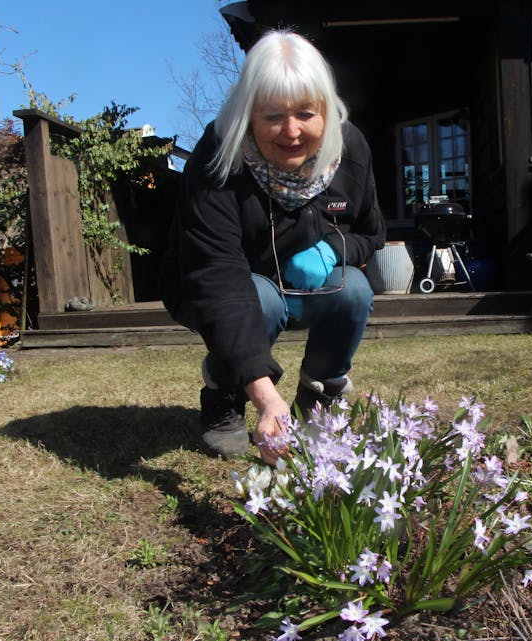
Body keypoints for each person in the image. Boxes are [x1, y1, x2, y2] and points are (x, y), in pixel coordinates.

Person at [160, 29, 385, 464]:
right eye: (272, 117)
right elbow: (218, 277)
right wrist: (266, 399)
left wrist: (332, 252)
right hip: (229, 284)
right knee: (257, 299)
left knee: (353, 288)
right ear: (248, 114)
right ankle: (225, 392)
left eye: (305, 113)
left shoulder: (350, 149)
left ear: (325, 109)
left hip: (304, 284)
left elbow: (371, 234)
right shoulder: (218, 156)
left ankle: (318, 392)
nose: (292, 131)